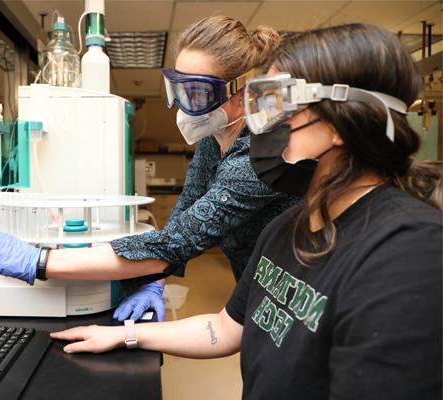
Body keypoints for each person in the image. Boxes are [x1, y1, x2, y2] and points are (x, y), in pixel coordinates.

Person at [50, 23, 443, 399]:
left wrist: (40, 262)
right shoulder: (288, 227)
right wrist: (125, 335)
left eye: (276, 101)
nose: (261, 121)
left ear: (342, 121)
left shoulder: (411, 250)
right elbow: (226, 328)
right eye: (260, 101)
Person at [0, 16, 299, 322]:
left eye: (195, 93)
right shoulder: (213, 140)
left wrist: (38, 261)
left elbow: (182, 240)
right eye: (176, 89)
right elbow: (183, 218)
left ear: (242, 93)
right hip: (254, 287)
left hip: (298, 293)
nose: (182, 107)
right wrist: (154, 280)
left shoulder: (261, 155)